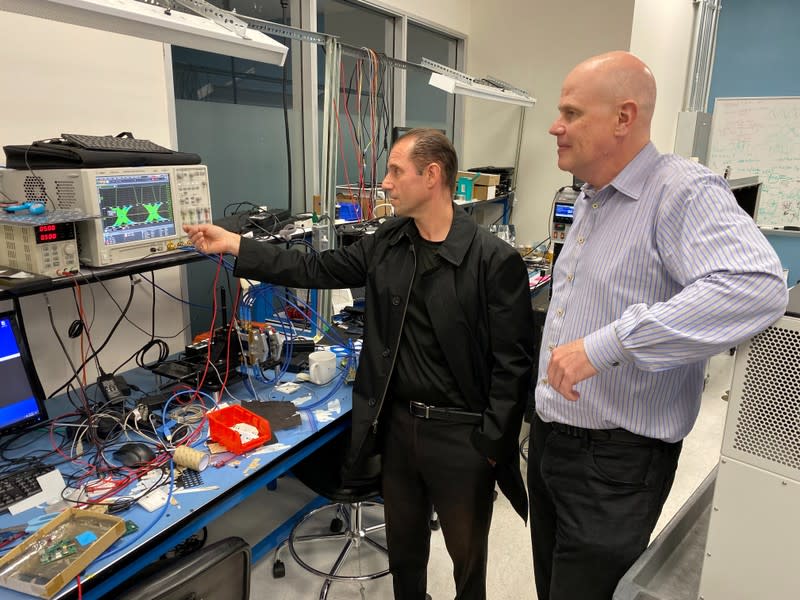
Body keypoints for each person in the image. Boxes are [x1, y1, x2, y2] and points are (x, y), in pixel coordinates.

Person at [184, 128, 534, 600]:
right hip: (398, 426)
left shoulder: (492, 261)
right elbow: (315, 268)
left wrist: (490, 444)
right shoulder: (389, 241)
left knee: (467, 559)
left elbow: (513, 366)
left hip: (462, 437)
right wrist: (236, 245)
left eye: (395, 171)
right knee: (405, 551)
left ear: (431, 176)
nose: (385, 183)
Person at [529, 51, 788, 600]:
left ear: (624, 118)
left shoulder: (681, 191)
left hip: (613, 460)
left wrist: (609, 345)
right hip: (555, 439)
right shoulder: (591, 196)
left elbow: (756, 286)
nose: (556, 126)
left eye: (571, 113)